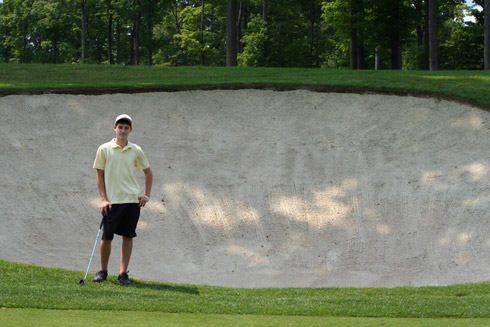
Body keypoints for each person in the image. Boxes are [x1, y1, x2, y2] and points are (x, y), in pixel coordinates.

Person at [92, 114, 153, 285]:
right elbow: (100, 175)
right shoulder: (104, 149)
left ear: (130, 130)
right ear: (115, 128)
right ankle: (103, 271)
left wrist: (146, 194)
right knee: (107, 237)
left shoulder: (136, 150)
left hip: (132, 200)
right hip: (112, 201)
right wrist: (103, 199)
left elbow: (148, 172)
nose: (123, 130)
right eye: (120, 127)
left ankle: (122, 274)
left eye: (126, 127)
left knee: (128, 236)